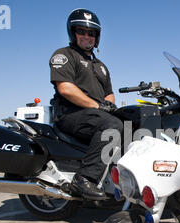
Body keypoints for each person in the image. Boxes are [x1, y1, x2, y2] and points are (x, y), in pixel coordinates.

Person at [50, 8, 123, 200]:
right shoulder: (65, 55)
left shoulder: (101, 66)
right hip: (71, 114)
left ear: (96, 37)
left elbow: (109, 94)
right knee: (112, 125)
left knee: (131, 123)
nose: (86, 36)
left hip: (94, 115)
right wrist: (98, 106)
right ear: (72, 33)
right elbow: (65, 88)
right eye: (81, 31)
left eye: (91, 33)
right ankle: (84, 179)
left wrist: (107, 106)